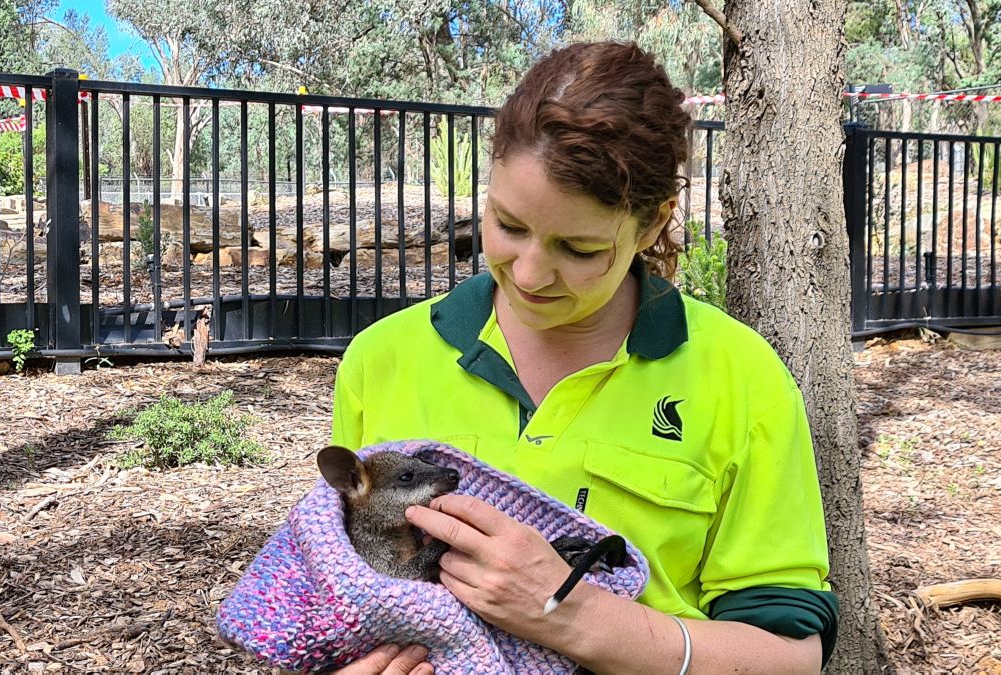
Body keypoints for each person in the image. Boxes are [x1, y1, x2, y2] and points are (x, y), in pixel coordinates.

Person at [329, 41, 838, 675]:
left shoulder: (739, 376)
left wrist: (575, 618)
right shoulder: (383, 359)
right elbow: (340, 590)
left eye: (578, 246)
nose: (532, 272)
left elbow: (791, 659)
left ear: (653, 224)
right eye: (508, 225)